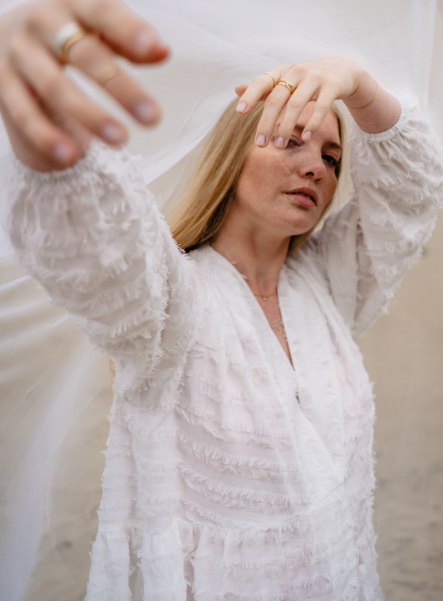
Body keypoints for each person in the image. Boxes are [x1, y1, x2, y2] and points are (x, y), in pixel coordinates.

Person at [1, 0, 442, 599]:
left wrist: (357, 83)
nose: (316, 166)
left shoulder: (332, 286)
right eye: (291, 140)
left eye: (331, 157)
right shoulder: (172, 307)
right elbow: (106, 253)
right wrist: (50, 139)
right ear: (233, 156)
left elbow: (410, 197)